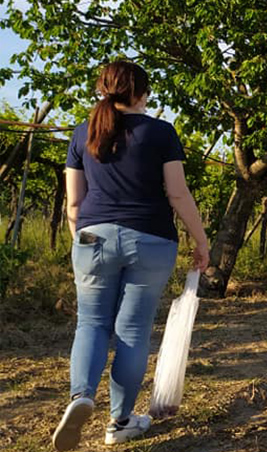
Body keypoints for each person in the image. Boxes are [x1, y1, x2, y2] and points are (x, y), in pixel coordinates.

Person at [53, 61, 209, 451]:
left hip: (93, 238)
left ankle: (81, 397)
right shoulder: (160, 132)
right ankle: (120, 421)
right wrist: (200, 240)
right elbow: (176, 193)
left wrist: (82, 240)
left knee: (90, 323)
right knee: (133, 331)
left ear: (102, 90)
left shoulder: (81, 133)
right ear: (141, 93)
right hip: (151, 240)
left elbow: (74, 203)